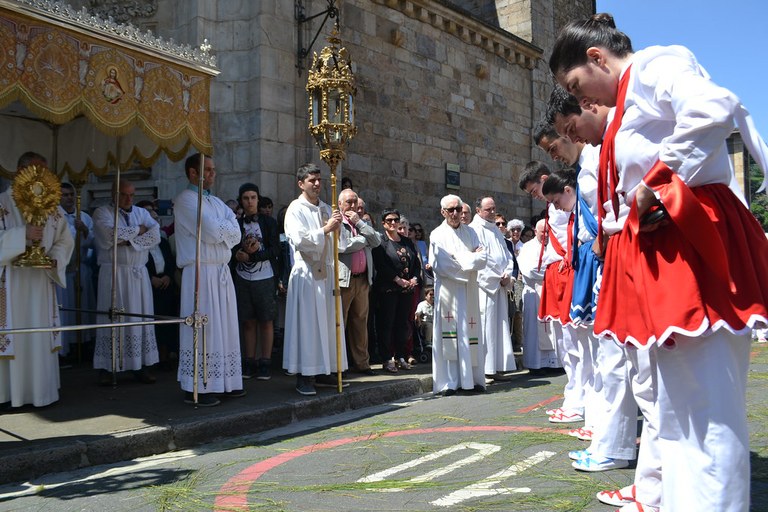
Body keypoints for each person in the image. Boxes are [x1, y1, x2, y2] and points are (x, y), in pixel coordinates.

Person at [550, 13, 768, 511]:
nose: (583, 100)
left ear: (596, 58)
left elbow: (713, 107)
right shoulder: (628, 97)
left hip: (688, 241)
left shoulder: (654, 65)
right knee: (675, 406)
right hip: (661, 249)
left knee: (705, 406)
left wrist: (657, 185)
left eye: (577, 84)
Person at [0, 152, 74, 408]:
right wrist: (23, 235)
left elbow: (66, 239)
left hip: (41, 282)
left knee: (39, 334)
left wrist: (55, 257)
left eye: (44, 171)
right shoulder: (2, 203)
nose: (40, 176)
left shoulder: (52, 207)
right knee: (15, 335)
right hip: (11, 283)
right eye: (34, 170)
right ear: (20, 170)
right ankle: (10, 394)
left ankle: (42, 391)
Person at [174, 153, 245, 407]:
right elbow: (213, 230)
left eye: (214, 170)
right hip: (200, 272)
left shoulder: (214, 201)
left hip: (221, 271)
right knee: (205, 327)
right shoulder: (185, 200)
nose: (213, 174)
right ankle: (200, 384)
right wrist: (224, 227)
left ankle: (225, 381)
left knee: (224, 327)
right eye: (208, 170)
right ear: (193, 173)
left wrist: (224, 228)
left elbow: (237, 232)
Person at [283, 163, 348, 396]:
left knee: (328, 323)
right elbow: (298, 240)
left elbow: (337, 241)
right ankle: (305, 374)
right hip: (307, 273)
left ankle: (325, 369)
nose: (318, 184)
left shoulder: (326, 207)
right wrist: (326, 230)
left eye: (319, 179)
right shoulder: (295, 209)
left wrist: (339, 228)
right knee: (308, 325)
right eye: (312, 180)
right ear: (301, 184)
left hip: (327, 273)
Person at [93, 179, 160, 385]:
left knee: (140, 319)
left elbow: (155, 234)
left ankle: (141, 365)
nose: (128, 199)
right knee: (112, 317)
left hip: (138, 274)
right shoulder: (102, 212)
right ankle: (108, 366)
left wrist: (128, 242)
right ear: (114, 193)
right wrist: (138, 232)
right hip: (114, 274)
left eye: (131, 194)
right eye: (123, 194)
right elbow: (110, 235)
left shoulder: (141, 213)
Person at [429, 195, 487, 394]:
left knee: (470, 331)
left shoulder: (471, 232)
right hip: (449, 291)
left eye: (458, 209)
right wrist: (471, 257)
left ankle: (472, 379)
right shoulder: (437, 235)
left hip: (469, 290)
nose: (455, 213)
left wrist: (460, 258)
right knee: (451, 335)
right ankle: (450, 382)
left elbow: (483, 259)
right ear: (443, 212)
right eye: (451, 210)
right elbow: (442, 265)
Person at [231, 183, 280, 381]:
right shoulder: (235, 223)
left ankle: (265, 363)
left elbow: (275, 250)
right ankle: (249, 361)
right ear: (241, 201)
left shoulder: (269, 223)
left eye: (253, 197)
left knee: (266, 320)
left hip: (265, 277)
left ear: (258, 199)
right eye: (245, 198)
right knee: (248, 321)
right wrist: (239, 254)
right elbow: (230, 248)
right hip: (243, 278)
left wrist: (253, 257)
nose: (250, 201)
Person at [469, 196, 517, 382]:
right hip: (485, 286)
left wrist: (508, 274)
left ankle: (497, 367)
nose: (491, 213)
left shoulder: (495, 230)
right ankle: (485, 368)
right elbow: (481, 259)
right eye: (488, 209)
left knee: (499, 327)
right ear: (478, 210)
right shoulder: (474, 230)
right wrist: (497, 277)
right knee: (486, 327)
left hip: (500, 285)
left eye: (493, 209)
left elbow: (506, 255)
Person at [372, 208, 421, 373]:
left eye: (395, 220)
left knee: (402, 324)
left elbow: (415, 263)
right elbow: (381, 265)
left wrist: (414, 278)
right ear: (383, 223)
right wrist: (398, 280)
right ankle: (387, 358)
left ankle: (401, 355)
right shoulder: (381, 242)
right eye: (389, 220)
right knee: (387, 323)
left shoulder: (407, 242)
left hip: (406, 290)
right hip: (389, 289)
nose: (393, 223)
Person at [338, 188, 381, 375]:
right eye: (349, 202)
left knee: (360, 322)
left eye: (355, 202)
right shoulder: (337, 222)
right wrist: (364, 240)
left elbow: (377, 240)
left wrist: (360, 225)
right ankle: (339, 364)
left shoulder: (361, 222)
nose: (353, 206)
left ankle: (362, 363)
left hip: (363, 280)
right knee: (341, 323)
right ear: (340, 204)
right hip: (344, 280)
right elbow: (342, 246)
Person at [136, 200, 179, 371]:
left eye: (154, 212)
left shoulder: (163, 241)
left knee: (166, 320)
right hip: (149, 284)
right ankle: (152, 357)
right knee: (151, 320)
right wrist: (151, 277)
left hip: (165, 283)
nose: (152, 215)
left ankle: (166, 353)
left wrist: (168, 275)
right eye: (148, 212)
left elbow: (169, 260)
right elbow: (140, 263)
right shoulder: (137, 242)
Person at [57, 182, 96, 360]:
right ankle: (66, 347)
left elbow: (95, 243)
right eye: (65, 195)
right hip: (63, 271)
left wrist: (85, 231)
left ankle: (84, 342)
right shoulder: (55, 216)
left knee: (84, 307)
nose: (69, 198)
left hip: (82, 269)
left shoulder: (85, 217)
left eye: (71, 194)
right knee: (66, 309)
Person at [517, 219, 561, 373]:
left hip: (553, 293)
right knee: (534, 330)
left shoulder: (555, 246)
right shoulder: (527, 248)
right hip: (534, 293)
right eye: (543, 232)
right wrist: (553, 271)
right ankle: (536, 364)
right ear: (536, 231)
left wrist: (551, 270)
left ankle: (555, 363)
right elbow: (529, 270)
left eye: (549, 231)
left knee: (554, 328)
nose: (546, 235)